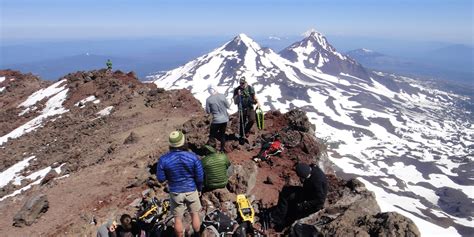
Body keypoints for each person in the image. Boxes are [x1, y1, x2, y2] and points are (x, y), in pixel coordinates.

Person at [156, 131, 204, 237]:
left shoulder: (163, 159)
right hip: (191, 190)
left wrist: (170, 176)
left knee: (177, 218)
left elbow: (160, 179)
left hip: (175, 192)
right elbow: (200, 177)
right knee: (195, 214)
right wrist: (199, 189)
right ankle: (197, 234)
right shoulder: (193, 157)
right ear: (183, 142)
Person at [270, 163, 328, 230]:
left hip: (313, 202)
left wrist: (304, 204)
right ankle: (278, 216)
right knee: (286, 192)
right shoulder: (313, 168)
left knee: (295, 208)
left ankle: (279, 221)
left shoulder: (317, 181)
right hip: (307, 192)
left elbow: (320, 200)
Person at [205, 86, 230, 152]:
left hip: (216, 120)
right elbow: (228, 106)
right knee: (222, 135)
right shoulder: (222, 96)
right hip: (224, 120)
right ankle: (222, 150)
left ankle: (211, 151)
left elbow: (208, 111)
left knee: (212, 136)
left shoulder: (208, 99)